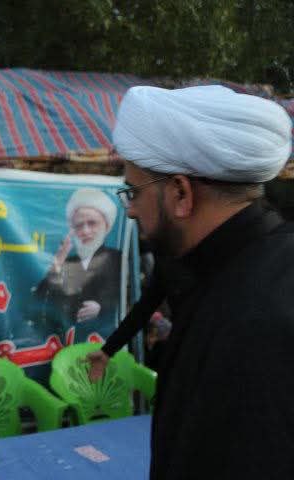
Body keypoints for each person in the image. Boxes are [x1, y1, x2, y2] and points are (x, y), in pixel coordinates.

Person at [112, 85, 294, 479]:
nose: (130, 210)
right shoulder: (234, 273)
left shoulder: (251, 321)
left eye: (133, 192)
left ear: (181, 193)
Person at [34, 188, 121, 324]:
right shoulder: (67, 262)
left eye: (92, 223)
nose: (85, 231)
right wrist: (58, 261)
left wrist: (101, 307)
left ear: (107, 226)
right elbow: (40, 297)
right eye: (79, 226)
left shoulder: (118, 259)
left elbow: (126, 293)